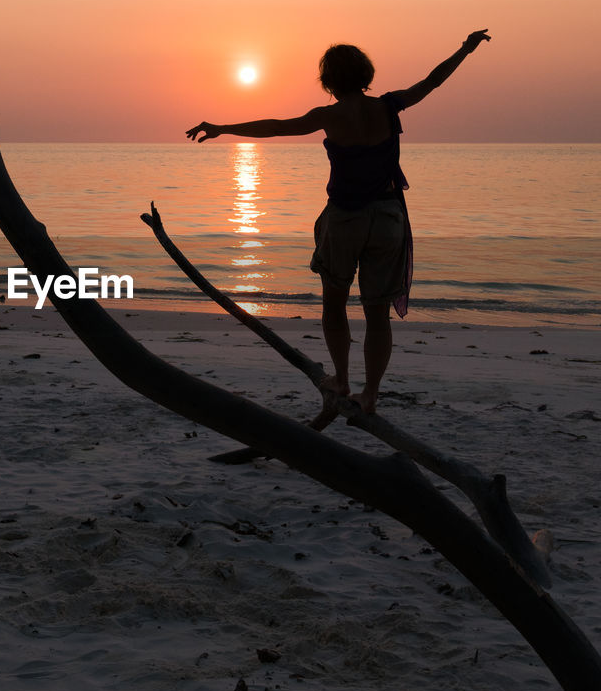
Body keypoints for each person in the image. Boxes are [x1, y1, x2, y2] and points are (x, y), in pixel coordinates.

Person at [186, 30, 490, 413]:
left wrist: (222, 128)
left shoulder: (327, 116)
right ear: (365, 74)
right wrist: (465, 48)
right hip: (388, 217)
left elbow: (276, 126)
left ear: (328, 81)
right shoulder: (388, 106)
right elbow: (432, 81)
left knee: (335, 302)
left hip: (345, 218)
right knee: (377, 312)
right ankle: (371, 394)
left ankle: (343, 381)